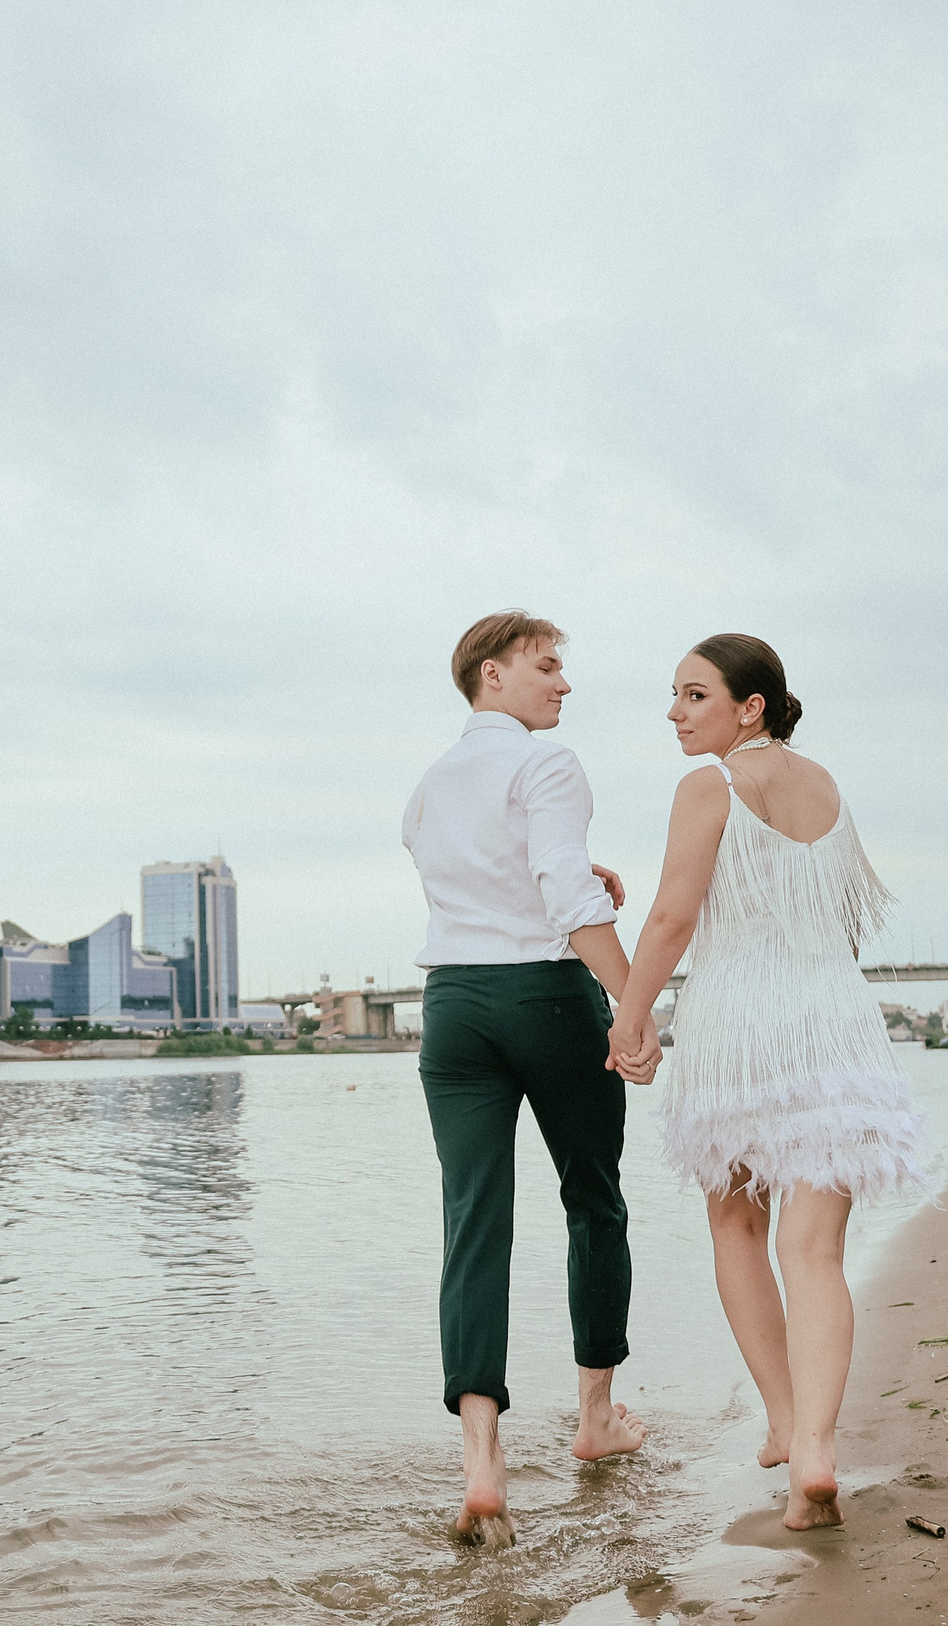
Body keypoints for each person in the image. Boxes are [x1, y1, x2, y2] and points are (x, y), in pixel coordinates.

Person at [606, 634, 927, 1531]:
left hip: (740, 1027)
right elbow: (845, 924)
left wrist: (630, 1017)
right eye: (675, 695)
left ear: (750, 706)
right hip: (836, 1023)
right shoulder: (825, 786)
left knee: (738, 1226)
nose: (675, 711)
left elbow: (671, 919)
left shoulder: (707, 786)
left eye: (694, 694)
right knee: (815, 1251)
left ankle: (785, 1419)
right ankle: (815, 1449)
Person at [403, 610, 659, 1550]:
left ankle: (482, 1462)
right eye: (546, 665)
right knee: (593, 1198)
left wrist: (573, 873)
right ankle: (596, 1418)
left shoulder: (429, 785)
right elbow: (560, 888)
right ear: (492, 674)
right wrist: (631, 1005)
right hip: (546, 999)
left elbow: (488, 877)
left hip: (453, 1007)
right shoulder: (548, 765)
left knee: (472, 1219)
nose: (562, 682)